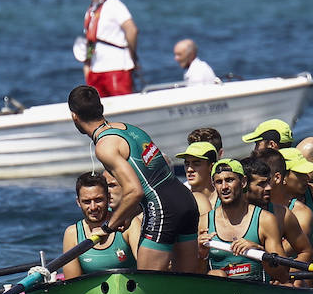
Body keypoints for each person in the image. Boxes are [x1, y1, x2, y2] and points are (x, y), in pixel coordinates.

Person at [68, 85, 199, 272]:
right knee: (187, 284)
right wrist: (128, 216)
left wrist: (107, 228)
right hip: (185, 200)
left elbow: (135, 191)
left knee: (148, 284)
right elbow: (152, 180)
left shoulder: (105, 146)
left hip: (162, 209)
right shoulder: (131, 130)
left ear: (74, 116)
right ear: (101, 108)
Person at [198, 159, 287, 282]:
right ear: (214, 186)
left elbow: (282, 275)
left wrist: (261, 252)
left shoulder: (265, 220)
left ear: (243, 182)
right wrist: (201, 255)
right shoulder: (203, 222)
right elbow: (195, 277)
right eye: (219, 182)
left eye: (229, 180)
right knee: (216, 274)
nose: (224, 187)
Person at [62, 172, 140, 279]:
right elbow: (72, 284)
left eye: (98, 200)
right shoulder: (72, 234)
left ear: (108, 197)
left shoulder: (129, 224)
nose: (93, 207)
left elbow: (147, 269)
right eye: (87, 202)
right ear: (78, 202)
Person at [252, 148, 313, 265]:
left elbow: (280, 254)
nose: (308, 178)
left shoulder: (301, 213)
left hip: (292, 275)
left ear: (278, 177)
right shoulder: (249, 207)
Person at [81, 0, 137, 97]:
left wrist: (131, 55)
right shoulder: (90, 11)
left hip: (116, 67)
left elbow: (131, 29)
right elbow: (90, 40)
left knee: (122, 104)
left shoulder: (113, 4)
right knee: (96, 111)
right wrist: (87, 65)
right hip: (95, 69)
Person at [175, 141, 219, 219]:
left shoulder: (224, 199)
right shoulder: (179, 200)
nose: (189, 169)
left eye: (196, 163)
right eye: (187, 164)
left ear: (211, 167)